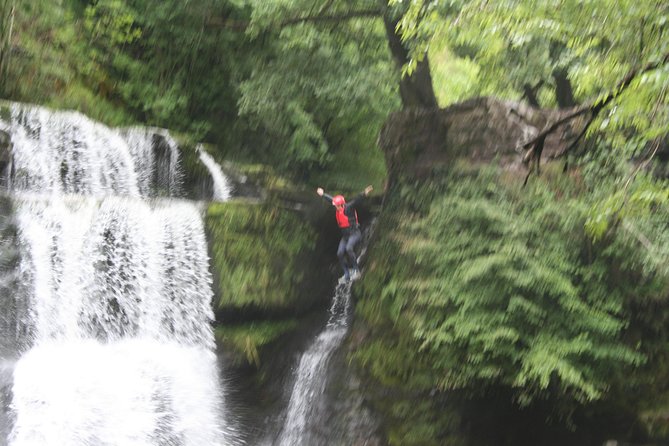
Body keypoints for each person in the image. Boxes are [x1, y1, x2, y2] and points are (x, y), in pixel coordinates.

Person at [317, 185, 373, 283]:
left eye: (337, 206)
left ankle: (356, 271)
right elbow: (331, 200)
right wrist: (323, 194)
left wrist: (364, 193)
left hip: (355, 234)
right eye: (335, 206)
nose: (336, 208)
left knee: (349, 248)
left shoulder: (349, 208)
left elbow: (357, 200)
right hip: (346, 236)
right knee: (339, 253)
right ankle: (346, 274)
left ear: (342, 205)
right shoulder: (337, 207)